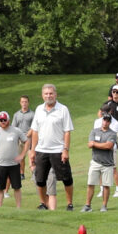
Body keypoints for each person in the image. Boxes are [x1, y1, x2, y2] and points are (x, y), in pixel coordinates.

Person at [28, 83, 74, 211]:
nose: (49, 96)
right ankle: (43, 203)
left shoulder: (63, 109)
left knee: (66, 179)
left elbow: (67, 131)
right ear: (42, 95)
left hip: (58, 150)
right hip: (41, 150)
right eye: (46, 94)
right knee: (40, 180)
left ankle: (69, 204)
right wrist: (32, 150)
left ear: (55, 94)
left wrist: (65, 149)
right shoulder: (38, 109)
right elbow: (35, 131)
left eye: (51, 93)